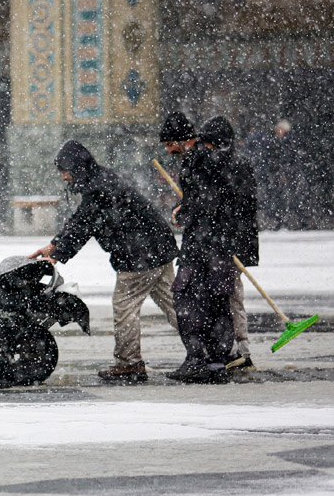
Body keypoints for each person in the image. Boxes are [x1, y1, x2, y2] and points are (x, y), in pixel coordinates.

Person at [28, 140, 178, 383]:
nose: (64, 177)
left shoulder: (99, 188)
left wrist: (56, 254)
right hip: (156, 248)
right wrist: (55, 245)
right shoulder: (99, 181)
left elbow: (84, 224)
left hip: (139, 254)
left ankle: (129, 364)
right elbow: (81, 219)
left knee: (125, 306)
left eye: (65, 171)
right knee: (175, 304)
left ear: (77, 168)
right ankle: (208, 349)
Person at [160, 112, 257, 370]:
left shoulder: (216, 164)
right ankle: (233, 353)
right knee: (225, 297)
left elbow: (214, 202)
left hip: (220, 243)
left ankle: (237, 353)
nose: (169, 151)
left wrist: (189, 212)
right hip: (220, 241)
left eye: (170, 144)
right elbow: (205, 200)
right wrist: (186, 208)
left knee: (226, 298)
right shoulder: (214, 163)